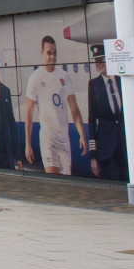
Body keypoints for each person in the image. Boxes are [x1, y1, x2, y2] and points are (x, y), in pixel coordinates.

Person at [24, 35, 87, 174]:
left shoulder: (64, 77)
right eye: (49, 53)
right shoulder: (35, 78)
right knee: (53, 180)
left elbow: (74, 109)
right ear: (42, 52)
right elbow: (29, 114)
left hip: (64, 140)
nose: (52, 57)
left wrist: (82, 134)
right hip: (48, 139)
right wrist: (27, 144)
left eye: (54, 53)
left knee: (65, 185)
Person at [87, 44, 127, 181]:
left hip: (125, 147)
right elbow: (91, 121)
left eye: (101, 60)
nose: (98, 65)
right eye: (96, 62)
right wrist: (93, 156)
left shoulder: (122, 81)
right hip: (106, 150)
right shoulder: (94, 85)